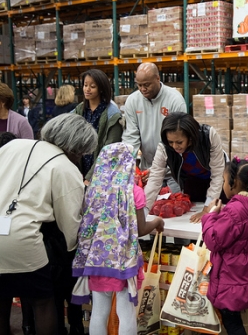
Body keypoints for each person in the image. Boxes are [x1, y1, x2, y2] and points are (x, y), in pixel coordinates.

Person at [0, 114, 97, 335]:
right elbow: (71, 225)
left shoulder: (14, 145)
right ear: (76, 148)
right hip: (22, 239)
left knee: (2, 300)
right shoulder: (65, 167)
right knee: (42, 301)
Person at [71, 142, 164, 335]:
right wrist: (157, 222)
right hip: (123, 261)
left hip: (96, 261)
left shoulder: (93, 191)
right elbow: (140, 229)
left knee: (99, 311)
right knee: (126, 312)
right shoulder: (133, 192)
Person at [201, 158, 248, 335]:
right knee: (232, 319)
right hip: (241, 270)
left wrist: (210, 216)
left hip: (229, 274)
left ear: (233, 185)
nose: (224, 185)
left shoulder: (234, 210)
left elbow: (213, 240)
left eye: (225, 181)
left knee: (232, 323)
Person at [144, 112, 226, 222]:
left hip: (220, 184)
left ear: (190, 138)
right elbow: (154, 179)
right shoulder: (164, 147)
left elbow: (217, 175)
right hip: (193, 183)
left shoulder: (209, 136)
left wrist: (207, 209)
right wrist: (143, 211)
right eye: (170, 142)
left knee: (216, 219)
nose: (174, 146)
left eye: (179, 142)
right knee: (191, 220)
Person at [122, 62, 186, 186]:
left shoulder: (175, 100)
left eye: (146, 85)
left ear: (158, 78)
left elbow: (178, 140)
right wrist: (131, 165)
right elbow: (131, 136)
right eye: (139, 85)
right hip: (146, 171)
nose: (142, 89)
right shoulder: (132, 101)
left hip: (172, 171)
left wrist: (159, 168)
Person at [74, 69, 123, 184]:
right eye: (85, 85)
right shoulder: (80, 110)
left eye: (92, 86)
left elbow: (109, 150)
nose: (87, 89)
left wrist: (90, 177)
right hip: (80, 169)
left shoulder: (112, 114)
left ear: (101, 88)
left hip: (102, 172)